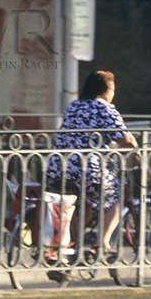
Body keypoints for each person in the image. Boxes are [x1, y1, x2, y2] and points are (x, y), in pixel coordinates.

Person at [44, 70, 138, 276]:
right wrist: (138, 157)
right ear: (106, 90)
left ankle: (73, 250)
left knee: (82, 203)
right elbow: (126, 140)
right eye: (112, 90)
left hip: (57, 166)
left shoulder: (73, 106)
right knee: (117, 195)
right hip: (85, 168)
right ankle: (103, 243)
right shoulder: (104, 108)